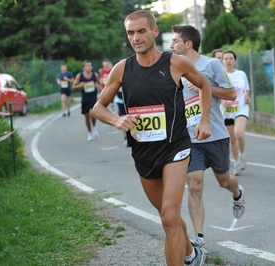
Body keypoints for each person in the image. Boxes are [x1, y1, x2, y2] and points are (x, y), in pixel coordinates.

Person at [91, 10, 212, 266]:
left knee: (169, 216)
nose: (136, 37)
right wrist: (117, 120)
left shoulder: (174, 63)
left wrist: (204, 120)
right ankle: (191, 254)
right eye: (131, 33)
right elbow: (98, 107)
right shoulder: (122, 69)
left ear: (155, 32)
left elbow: (205, 85)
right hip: (143, 152)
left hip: (175, 147)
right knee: (168, 217)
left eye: (141, 31)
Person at [170, 25, 246, 250]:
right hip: (189, 137)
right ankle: (199, 237)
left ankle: (237, 192)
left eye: (175, 41)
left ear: (188, 43)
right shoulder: (173, 66)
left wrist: (206, 87)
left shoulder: (211, 64)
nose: (171, 45)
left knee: (224, 181)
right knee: (194, 183)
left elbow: (231, 94)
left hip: (214, 134)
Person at [221, 50, 251, 175]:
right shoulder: (220, 75)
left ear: (235, 60)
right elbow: (216, 91)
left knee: (239, 134)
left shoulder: (241, 74)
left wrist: (246, 96)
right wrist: (223, 101)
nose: (228, 61)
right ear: (222, 61)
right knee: (232, 139)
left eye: (231, 58)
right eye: (226, 58)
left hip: (241, 108)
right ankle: (237, 162)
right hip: (227, 111)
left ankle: (242, 155)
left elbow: (246, 89)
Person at [72, 60, 101, 141]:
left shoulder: (95, 75)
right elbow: (74, 86)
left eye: (90, 65)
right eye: (87, 66)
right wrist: (80, 85)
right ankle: (90, 132)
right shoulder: (80, 76)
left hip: (93, 98)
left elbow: (99, 84)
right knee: (87, 118)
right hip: (85, 99)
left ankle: (94, 127)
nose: (89, 67)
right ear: (83, 68)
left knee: (93, 114)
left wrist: (97, 86)